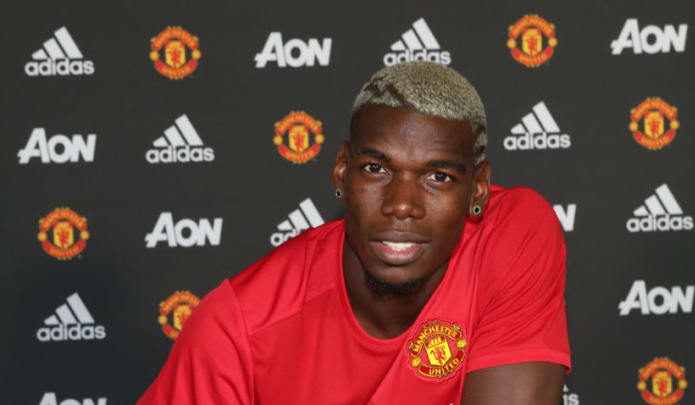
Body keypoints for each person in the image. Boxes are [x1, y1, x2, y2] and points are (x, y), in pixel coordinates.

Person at [137, 61, 570, 404]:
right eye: (376, 169)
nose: (402, 204)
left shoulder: (512, 232)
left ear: (479, 189)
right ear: (342, 171)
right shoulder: (239, 327)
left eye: (438, 176)